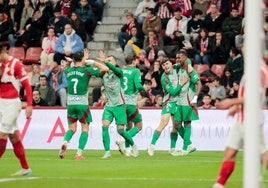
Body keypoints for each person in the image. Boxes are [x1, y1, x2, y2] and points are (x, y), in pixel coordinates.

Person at [212, 62, 268, 188]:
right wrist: (237, 106)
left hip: (251, 119)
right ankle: (218, 186)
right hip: (242, 118)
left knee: (262, 155)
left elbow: (254, 97)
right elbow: (246, 93)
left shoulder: (260, 71)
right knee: (229, 152)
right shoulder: (253, 67)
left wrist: (230, 102)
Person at [58, 49, 108, 160]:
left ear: (74, 60)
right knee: (85, 128)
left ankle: (65, 142)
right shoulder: (87, 70)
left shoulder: (69, 70)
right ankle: (78, 154)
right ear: (83, 60)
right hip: (82, 104)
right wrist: (90, 61)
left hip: (70, 103)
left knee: (71, 128)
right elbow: (105, 69)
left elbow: (65, 67)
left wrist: (70, 62)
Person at [98, 52, 139, 158]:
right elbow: (92, 70)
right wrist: (86, 61)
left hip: (120, 105)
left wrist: (105, 62)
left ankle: (133, 145)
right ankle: (107, 152)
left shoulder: (119, 72)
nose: (108, 61)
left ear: (115, 62)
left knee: (121, 130)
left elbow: (113, 69)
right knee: (104, 127)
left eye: (110, 60)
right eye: (107, 59)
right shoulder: (104, 74)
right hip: (109, 106)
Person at [0, 44, 33, 176]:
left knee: (2, 135)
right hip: (1, 103)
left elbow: (27, 85)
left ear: (3, 52)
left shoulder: (16, 64)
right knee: (14, 137)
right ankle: (26, 168)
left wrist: (29, 104)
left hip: (12, 104)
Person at [147, 57, 189, 156]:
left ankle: (172, 148)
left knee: (176, 126)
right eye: (163, 65)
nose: (166, 66)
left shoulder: (175, 68)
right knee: (163, 123)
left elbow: (185, 63)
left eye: (167, 63)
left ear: (171, 63)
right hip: (168, 102)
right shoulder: (164, 78)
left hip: (177, 102)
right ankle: (151, 146)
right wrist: (182, 83)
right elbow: (173, 92)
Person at [115, 54, 145, 156]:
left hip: (121, 102)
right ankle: (122, 139)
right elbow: (138, 85)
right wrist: (144, 89)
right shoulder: (135, 71)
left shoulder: (121, 70)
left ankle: (127, 149)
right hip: (131, 103)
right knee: (139, 125)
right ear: (133, 62)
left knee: (129, 125)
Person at [173, 50, 200, 156]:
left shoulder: (190, 70)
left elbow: (199, 83)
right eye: (176, 58)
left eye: (180, 58)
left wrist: (195, 98)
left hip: (188, 100)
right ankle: (189, 144)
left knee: (187, 123)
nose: (178, 60)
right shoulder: (178, 68)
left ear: (185, 58)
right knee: (177, 124)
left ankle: (185, 148)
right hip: (179, 100)